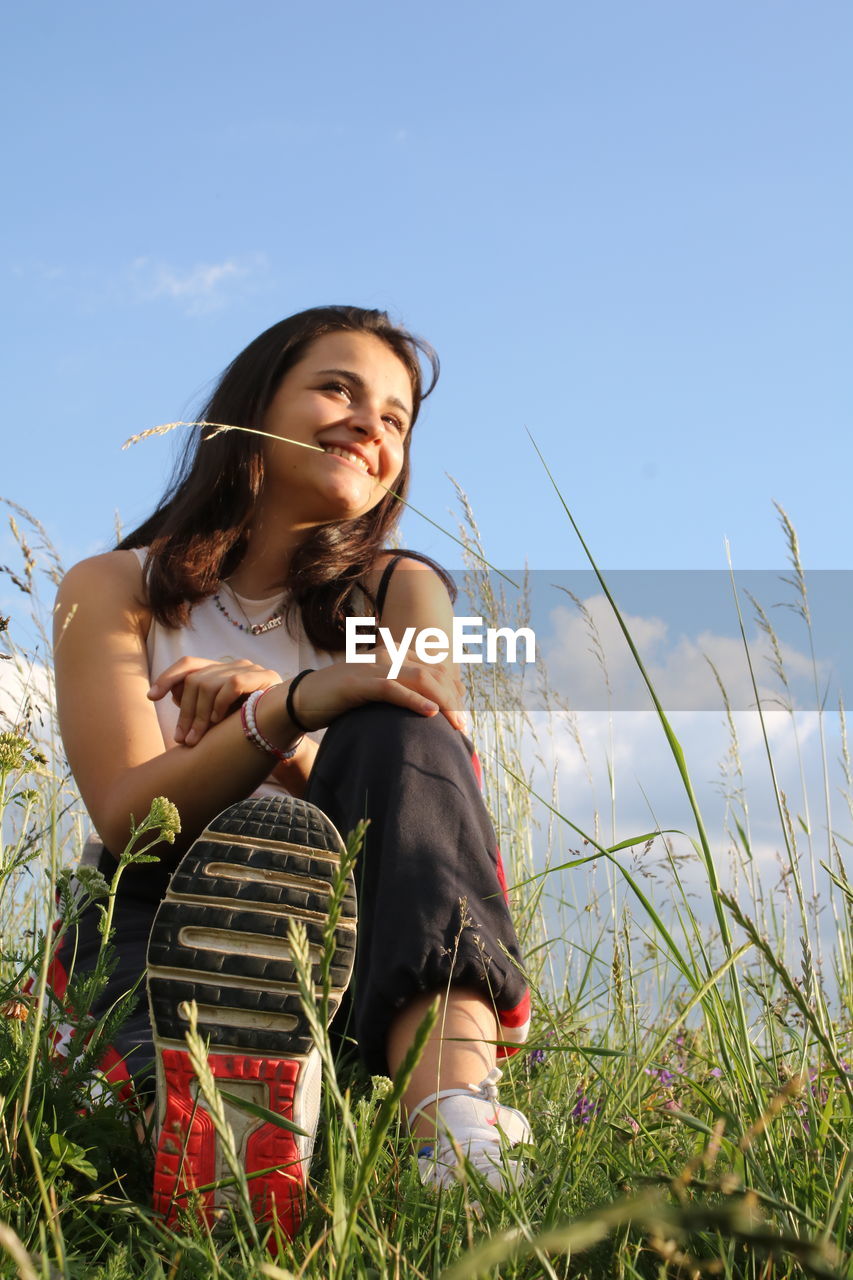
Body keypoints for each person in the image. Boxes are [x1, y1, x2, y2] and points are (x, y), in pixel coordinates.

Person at [51, 305, 531, 1238]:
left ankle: (456, 1126)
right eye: (338, 389)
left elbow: (422, 801)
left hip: (365, 916)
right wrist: (283, 711)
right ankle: (223, 1133)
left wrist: (284, 705)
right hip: (165, 896)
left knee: (405, 727)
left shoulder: (399, 588)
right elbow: (127, 819)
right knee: (162, 958)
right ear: (251, 409)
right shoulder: (117, 589)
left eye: (395, 419)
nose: (370, 426)